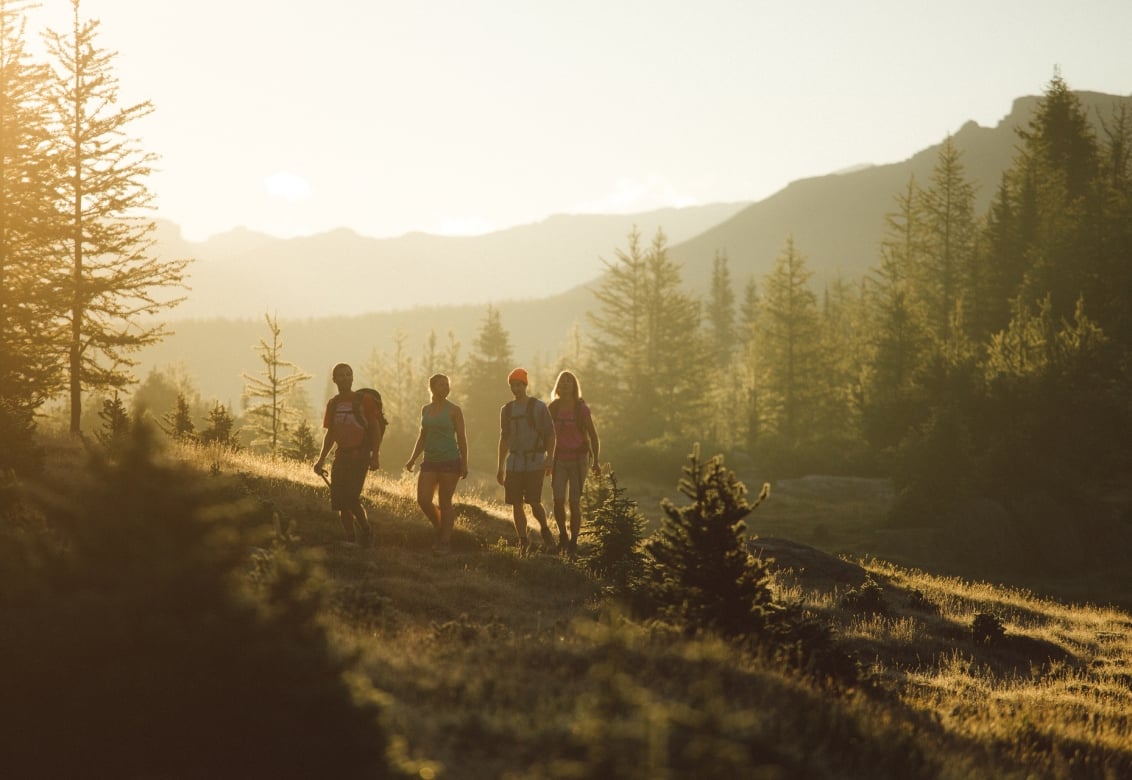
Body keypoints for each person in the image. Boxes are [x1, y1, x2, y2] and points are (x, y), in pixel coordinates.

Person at [313, 363, 385, 546]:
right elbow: (330, 435)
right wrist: (321, 459)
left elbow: (375, 428)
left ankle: (367, 531)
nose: (345, 378)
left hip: (360, 456)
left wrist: (375, 455)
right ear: (334, 379)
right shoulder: (333, 403)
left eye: (348, 375)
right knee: (340, 503)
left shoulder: (364, 400)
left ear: (352, 378)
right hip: (341, 457)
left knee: (351, 497)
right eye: (341, 375)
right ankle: (351, 539)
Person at [404, 373, 468, 554]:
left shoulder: (454, 410)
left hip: (450, 461)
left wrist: (464, 462)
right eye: (441, 385)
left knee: (445, 501)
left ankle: (445, 542)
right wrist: (412, 458)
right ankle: (440, 528)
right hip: (430, 461)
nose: (445, 388)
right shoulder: (426, 410)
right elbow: (422, 436)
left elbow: (462, 438)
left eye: (447, 384)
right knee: (423, 500)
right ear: (432, 388)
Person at [496, 367, 556, 553]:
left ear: (525, 385)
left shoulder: (539, 407)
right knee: (516, 502)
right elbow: (504, 439)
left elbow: (550, 435)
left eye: (519, 385)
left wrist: (550, 459)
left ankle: (545, 530)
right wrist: (500, 466)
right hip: (514, 462)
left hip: (535, 461)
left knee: (533, 501)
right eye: (513, 385)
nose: (516, 388)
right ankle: (523, 540)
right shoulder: (506, 410)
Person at [548, 370, 601, 556]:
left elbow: (593, 436)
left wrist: (596, 461)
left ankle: (573, 541)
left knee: (574, 502)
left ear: (574, 386)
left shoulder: (581, 409)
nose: (565, 384)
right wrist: (546, 459)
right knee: (557, 500)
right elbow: (546, 436)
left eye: (569, 381)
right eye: (562, 381)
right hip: (558, 459)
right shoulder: (552, 408)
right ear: (558, 386)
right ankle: (562, 535)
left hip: (579, 461)